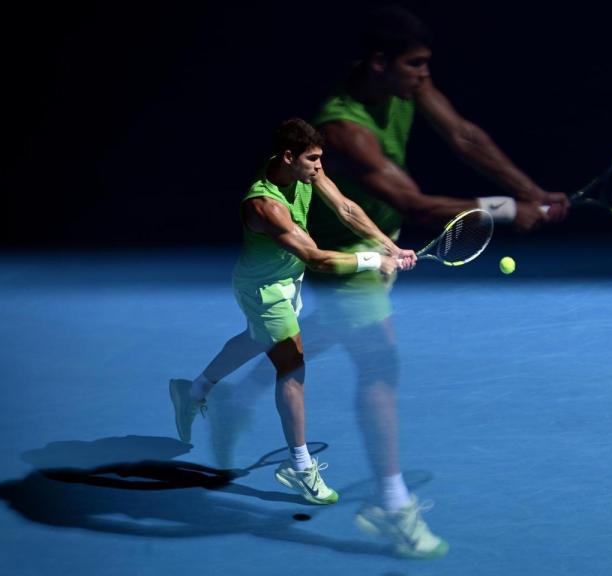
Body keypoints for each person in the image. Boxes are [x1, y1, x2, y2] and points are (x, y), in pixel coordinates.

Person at [217, 6, 571, 559]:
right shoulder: (342, 128)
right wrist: (506, 209)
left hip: (381, 237)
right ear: (379, 63)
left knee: (329, 335)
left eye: (427, 66)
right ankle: (390, 501)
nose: (424, 76)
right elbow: (412, 202)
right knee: (380, 366)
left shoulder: (408, 87)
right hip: (345, 253)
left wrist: (535, 194)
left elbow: (464, 136)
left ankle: (238, 396)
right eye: (415, 66)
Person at [169, 118, 416, 506]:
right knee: (292, 367)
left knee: (256, 339)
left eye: (320, 159)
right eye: (313, 160)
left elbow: (347, 210)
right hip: (264, 290)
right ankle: (298, 465)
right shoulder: (264, 205)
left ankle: (194, 389)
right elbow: (317, 259)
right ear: (289, 157)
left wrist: (389, 247)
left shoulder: (302, 171)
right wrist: (371, 261)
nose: (319, 167)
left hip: (288, 281)